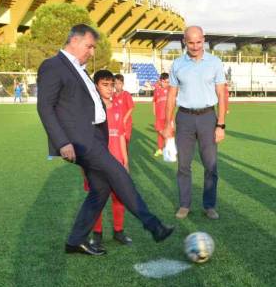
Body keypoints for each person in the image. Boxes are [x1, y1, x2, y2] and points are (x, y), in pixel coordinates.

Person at [36, 24, 174, 256]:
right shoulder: (53, 65)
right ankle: (154, 225)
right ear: (75, 41)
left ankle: (75, 241)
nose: (91, 52)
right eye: (89, 46)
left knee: (100, 189)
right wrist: (62, 142)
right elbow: (45, 107)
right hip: (80, 140)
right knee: (118, 174)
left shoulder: (77, 68)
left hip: (95, 138)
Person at [162, 25, 227, 220]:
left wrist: (221, 124)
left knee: (211, 165)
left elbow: (221, 94)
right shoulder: (177, 64)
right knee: (183, 165)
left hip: (208, 117)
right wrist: (168, 123)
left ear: (204, 40)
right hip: (185, 118)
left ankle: (209, 205)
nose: (195, 46)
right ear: (184, 41)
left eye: (199, 41)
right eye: (191, 42)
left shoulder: (215, 63)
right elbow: (171, 95)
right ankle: (184, 205)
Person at [81, 69, 133, 249]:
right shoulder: (90, 112)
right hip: (96, 163)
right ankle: (97, 234)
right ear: (95, 86)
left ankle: (119, 231)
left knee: (119, 197)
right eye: (105, 85)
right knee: (97, 199)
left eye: (112, 85)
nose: (110, 88)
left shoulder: (118, 107)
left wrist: (125, 161)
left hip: (117, 161)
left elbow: (120, 136)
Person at [113, 74, 134, 150]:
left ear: (123, 84)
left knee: (125, 142)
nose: (117, 85)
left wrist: (124, 119)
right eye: (115, 83)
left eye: (119, 83)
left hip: (126, 124)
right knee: (116, 143)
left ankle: (125, 160)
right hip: (116, 124)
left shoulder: (126, 94)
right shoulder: (112, 95)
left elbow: (131, 107)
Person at [153, 73, 170, 157]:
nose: (165, 84)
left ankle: (168, 149)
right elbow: (154, 101)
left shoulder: (170, 90)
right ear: (161, 81)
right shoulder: (157, 90)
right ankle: (160, 149)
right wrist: (154, 112)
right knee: (159, 133)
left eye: (167, 82)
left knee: (168, 133)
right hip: (159, 116)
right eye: (164, 82)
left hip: (168, 116)